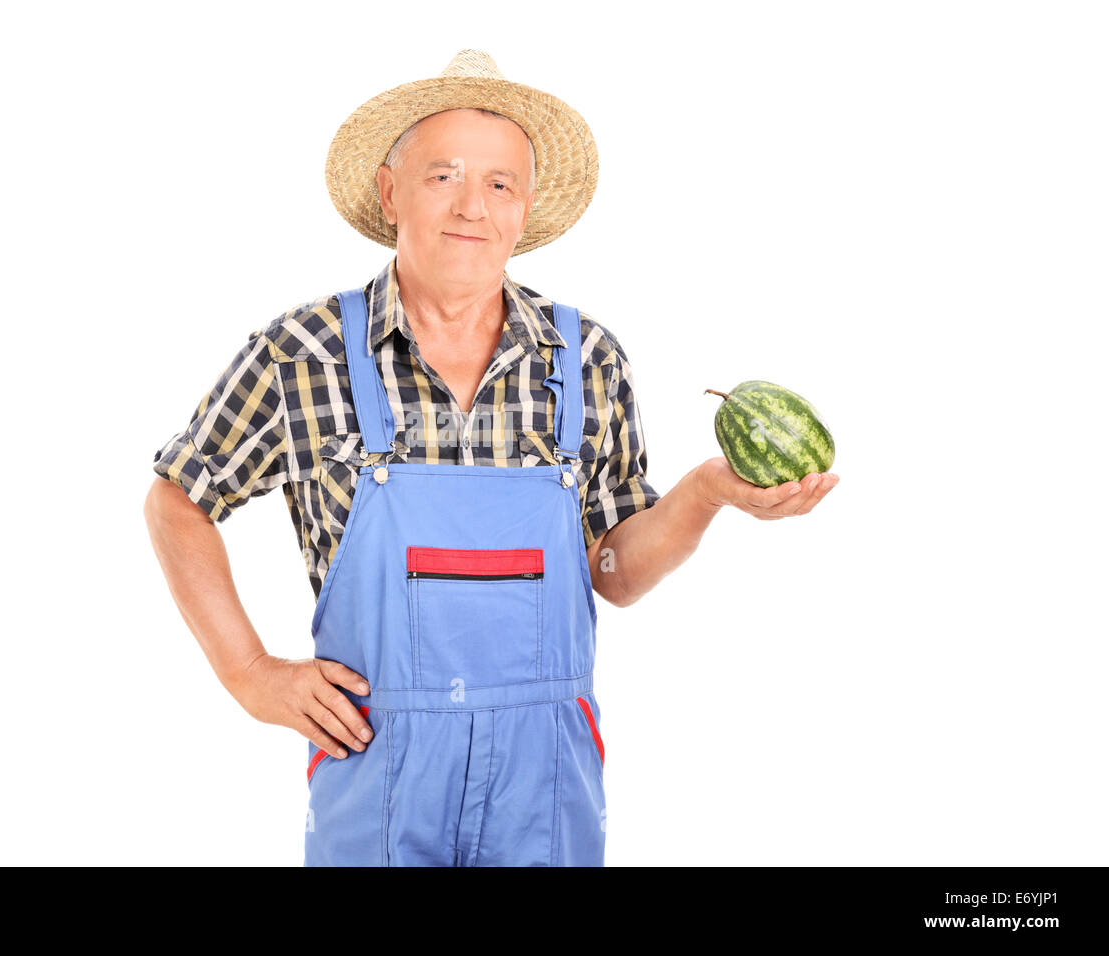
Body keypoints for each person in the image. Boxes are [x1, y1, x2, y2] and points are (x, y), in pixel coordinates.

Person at [143, 49, 839, 867]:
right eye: (444, 176)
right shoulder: (303, 353)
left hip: (543, 777)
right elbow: (177, 499)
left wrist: (707, 491)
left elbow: (611, 572)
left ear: (525, 207)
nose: (472, 205)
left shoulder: (585, 359)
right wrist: (250, 673)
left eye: (500, 183)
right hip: (377, 761)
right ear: (389, 191)